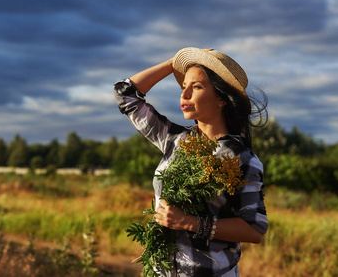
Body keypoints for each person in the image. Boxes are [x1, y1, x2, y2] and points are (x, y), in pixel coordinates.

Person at [114, 47, 268, 277]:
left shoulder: (241, 157)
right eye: (183, 86)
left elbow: (254, 229)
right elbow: (125, 94)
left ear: (221, 99)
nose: (184, 95)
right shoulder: (174, 139)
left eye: (196, 87)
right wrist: (174, 62)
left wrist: (189, 222)